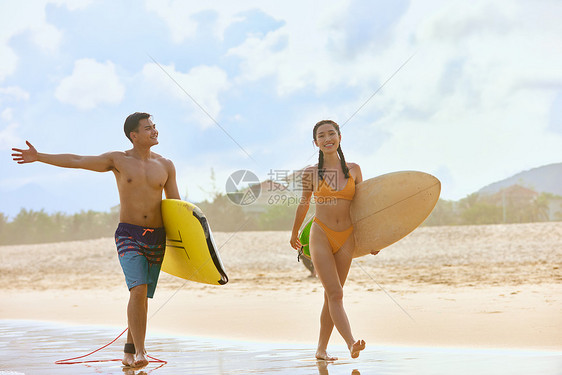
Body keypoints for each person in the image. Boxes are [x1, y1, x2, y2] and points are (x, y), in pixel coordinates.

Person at [11, 112, 180, 368]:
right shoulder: (118, 160)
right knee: (138, 289)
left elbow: (176, 206)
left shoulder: (166, 165)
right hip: (129, 235)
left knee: (141, 296)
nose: (154, 131)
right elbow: (78, 160)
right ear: (134, 135)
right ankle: (142, 352)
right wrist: (39, 157)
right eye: (148, 128)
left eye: (154, 126)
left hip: (156, 236)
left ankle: (128, 351)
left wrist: (186, 242)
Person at [290, 119, 378, 361]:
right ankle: (351, 343)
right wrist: (294, 233)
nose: (327, 138)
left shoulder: (355, 169)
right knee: (336, 293)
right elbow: (304, 203)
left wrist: (372, 239)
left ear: (339, 137)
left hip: (347, 237)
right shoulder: (310, 172)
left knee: (331, 295)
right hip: (321, 234)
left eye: (331, 134)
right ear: (315, 142)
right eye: (322, 136)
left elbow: (364, 207)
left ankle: (321, 349)